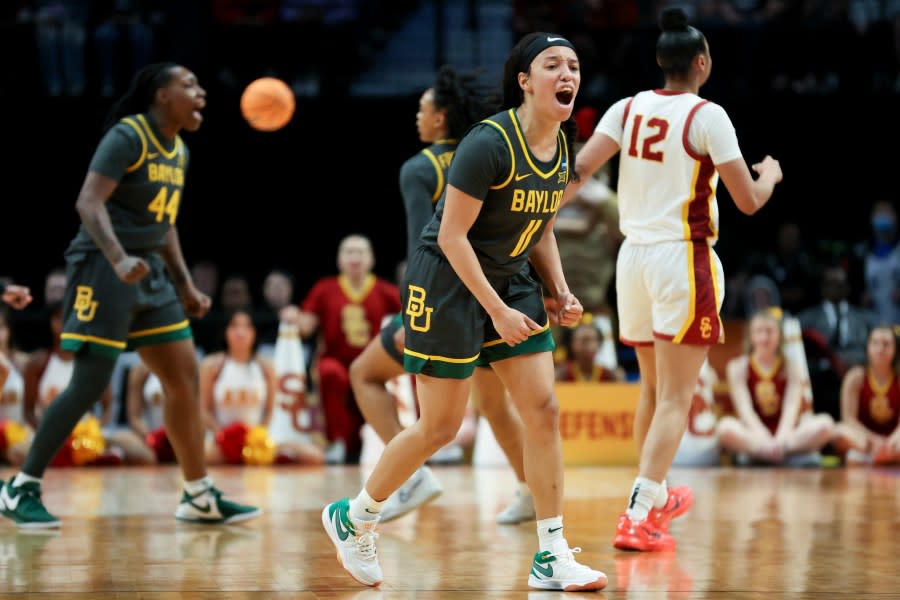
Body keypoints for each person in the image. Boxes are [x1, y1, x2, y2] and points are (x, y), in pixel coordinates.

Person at [322, 32, 608, 592]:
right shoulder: (488, 143)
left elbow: (542, 227)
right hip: (448, 281)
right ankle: (354, 516)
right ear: (525, 81)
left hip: (510, 279)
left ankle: (551, 552)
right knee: (440, 427)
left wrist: (560, 290)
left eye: (573, 64)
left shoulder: (563, 147)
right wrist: (497, 310)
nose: (566, 72)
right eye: (552, 64)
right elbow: (452, 238)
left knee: (544, 410)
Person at [0, 62, 259, 528]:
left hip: (150, 272)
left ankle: (198, 495)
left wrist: (184, 285)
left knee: (182, 375)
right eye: (190, 85)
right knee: (90, 382)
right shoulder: (129, 136)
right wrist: (118, 258)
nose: (201, 92)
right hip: (103, 266)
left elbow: (164, 225)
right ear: (162, 95)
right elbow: (88, 201)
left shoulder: (178, 151)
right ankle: (21, 488)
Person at [567, 7, 783, 552]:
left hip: (632, 260)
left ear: (660, 62)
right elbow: (749, 202)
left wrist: (535, 214)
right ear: (702, 62)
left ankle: (655, 496)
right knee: (676, 399)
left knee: (655, 392)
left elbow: (578, 172)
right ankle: (638, 513)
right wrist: (770, 176)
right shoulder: (709, 116)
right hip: (681, 259)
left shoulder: (626, 107)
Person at [348, 66, 536, 525]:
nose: (417, 116)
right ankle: (532, 490)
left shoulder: (419, 167)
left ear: (441, 117)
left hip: (446, 300)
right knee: (494, 406)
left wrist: (413, 311)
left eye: (422, 108)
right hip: (494, 294)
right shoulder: (495, 153)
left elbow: (424, 247)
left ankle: (410, 479)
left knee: (364, 373)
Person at [284, 234, 401, 465]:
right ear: (339, 259)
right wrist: (293, 317)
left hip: (374, 363)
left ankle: (393, 442)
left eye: (360, 252)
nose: (354, 257)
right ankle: (336, 442)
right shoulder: (324, 288)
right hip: (336, 361)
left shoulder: (386, 290)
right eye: (349, 252)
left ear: (372, 259)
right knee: (329, 372)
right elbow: (306, 327)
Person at [716, 309, 834, 466]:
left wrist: (779, 441)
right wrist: (763, 439)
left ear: (779, 336)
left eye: (769, 331)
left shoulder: (792, 367)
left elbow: (790, 409)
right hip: (754, 434)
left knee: (826, 424)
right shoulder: (738, 367)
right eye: (759, 331)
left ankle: (765, 454)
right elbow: (745, 411)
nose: (764, 337)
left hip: (786, 435)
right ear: (751, 336)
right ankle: (780, 455)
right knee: (724, 428)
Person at [830, 324, 900, 465]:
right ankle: (884, 458)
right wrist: (874, 439)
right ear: (867, 347)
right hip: (864, 440)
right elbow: (848, 419)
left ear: (895, 350)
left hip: (892, 441)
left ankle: (868, 458)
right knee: (838, 432)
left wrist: (892, 440)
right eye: (875, 343)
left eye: (886, 344)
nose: (880, 349)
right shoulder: (855, 376)